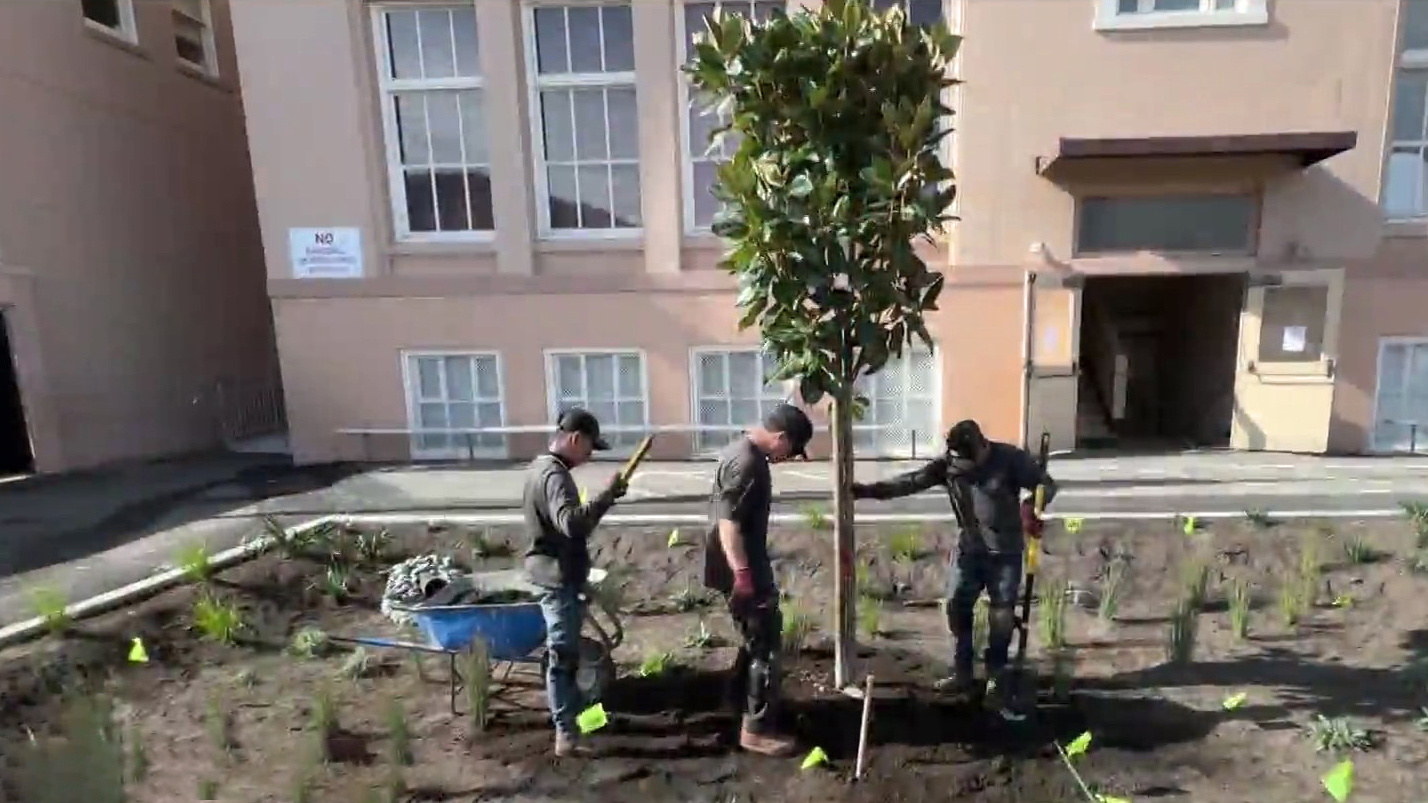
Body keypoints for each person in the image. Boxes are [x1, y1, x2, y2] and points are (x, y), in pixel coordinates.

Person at [850, 419, 1057, 706]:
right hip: (969, 551)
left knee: (1001, 614)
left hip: (1005, 553)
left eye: (970, 465)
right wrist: (867, 491)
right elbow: (909, 482)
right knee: (956, 605)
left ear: (982, 446)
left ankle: (996, 674)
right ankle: (962, 672)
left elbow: (1046, 484)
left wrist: (1031, 505)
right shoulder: (948, 466)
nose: (965, 472)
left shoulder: (1009, 459)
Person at [702, 402, 814, 757]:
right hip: (742, 569)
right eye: (793, 450)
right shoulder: (749, 464)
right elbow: (728, 523)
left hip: (737, 565)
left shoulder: (739, 450)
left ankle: (734, 707)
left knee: (754, 640)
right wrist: (744, 574)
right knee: (765, 646)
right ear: (780, 437)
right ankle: (756, 731)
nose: (791, 457)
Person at [522, 407, 628, 757]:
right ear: (573, 438)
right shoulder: (554, 476)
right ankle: (566, 735)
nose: (590, 455)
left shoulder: (540, 467)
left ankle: (572, 723)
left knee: (565, 654)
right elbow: (571, 524)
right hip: (556, 577)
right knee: (563, 656)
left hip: (554, 573)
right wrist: (607, 496)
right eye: (589, 447)